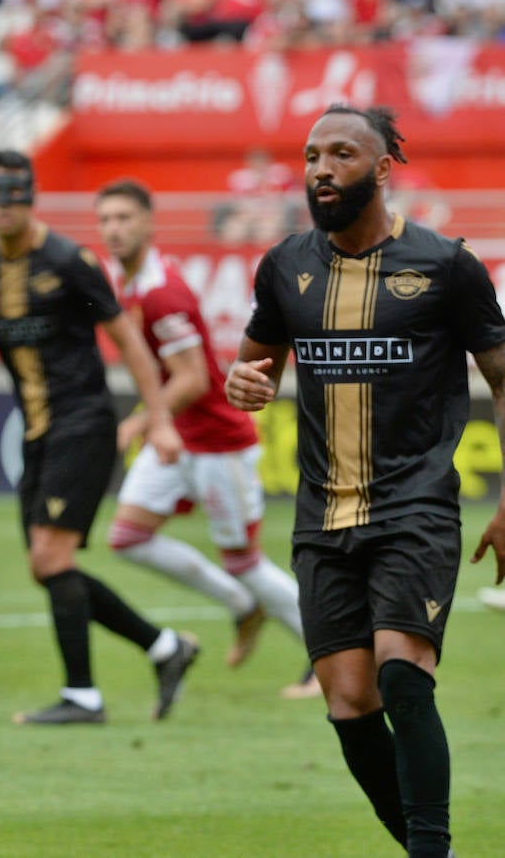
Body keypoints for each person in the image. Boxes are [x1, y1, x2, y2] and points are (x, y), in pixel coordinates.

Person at [226, 104, 505, 858]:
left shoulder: (446, 265)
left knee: (402, 675)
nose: (321, 168)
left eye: (342, 154)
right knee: (350, 702)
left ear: (382, 169)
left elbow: (504, 380)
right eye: (313, 154)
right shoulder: (286, 265)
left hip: (414, 506)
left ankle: (429, 850)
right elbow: (254, 362)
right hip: (322, 517)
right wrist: (242, 383)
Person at [0, 149, 198, 726]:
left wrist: (158, 419)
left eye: (14, 193)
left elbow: (128, 341)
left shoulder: (69, 260)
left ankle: (84, 696)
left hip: (84, 423)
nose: (4, 205)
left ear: (31, 197)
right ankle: (163, 647)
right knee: (45, 564)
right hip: (36, 431)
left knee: (51, 555)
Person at [96, 177, 319, 700]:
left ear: (149, 223)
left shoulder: (160, 292)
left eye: (125, 218)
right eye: (106, 219)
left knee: (244, 560)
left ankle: (326, 656)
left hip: (219, 441)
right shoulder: (128, 282)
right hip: (180, 437)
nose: (114, 229)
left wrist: (142, 421)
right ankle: (243, 605)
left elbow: (194, 378)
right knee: (128, 537)